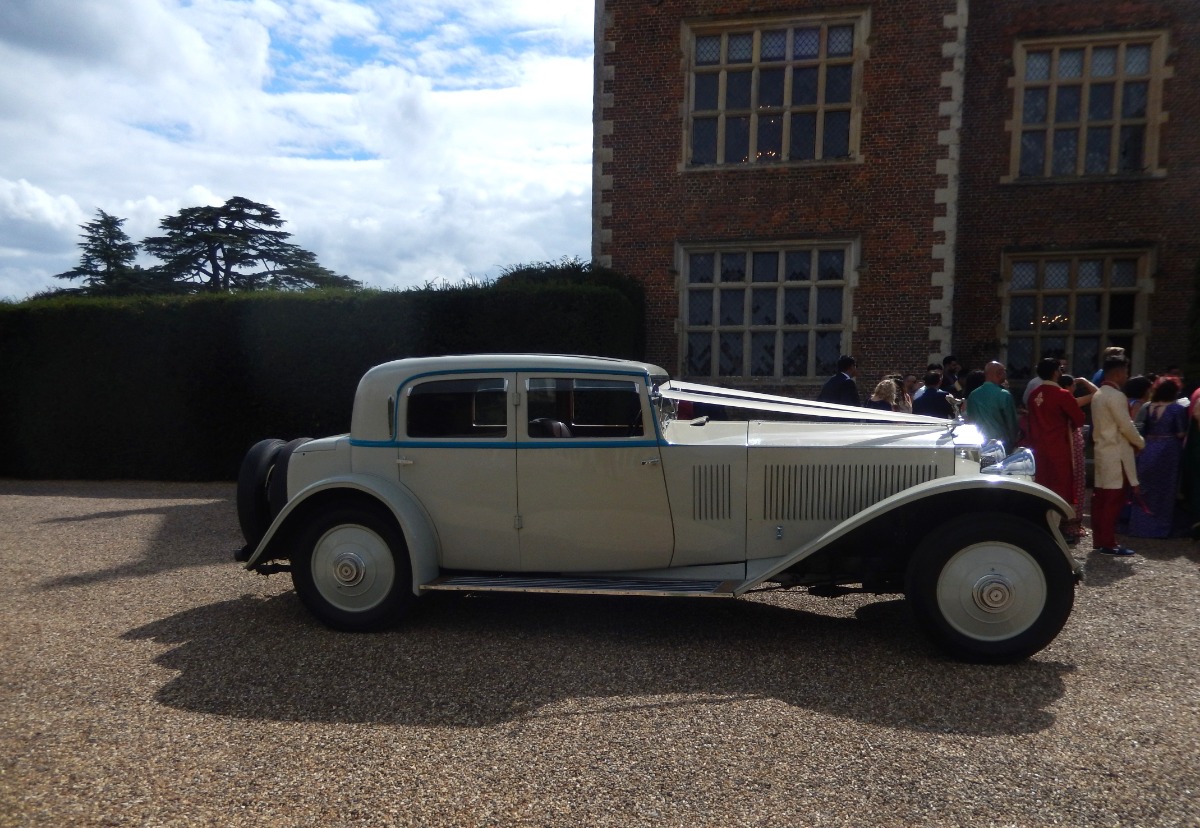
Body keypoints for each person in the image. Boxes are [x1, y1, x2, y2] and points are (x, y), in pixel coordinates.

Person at [1025, 358, 1086, 542]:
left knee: (1042, 486)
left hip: (1037, 447)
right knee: (1060, 488)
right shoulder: (1062, 394)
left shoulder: (1033, 394)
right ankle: (1054, 531)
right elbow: (1079, 419)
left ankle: (1040, 526)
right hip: (1058, 448)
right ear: (1056, 372)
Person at [1091, 355, 1146, 556]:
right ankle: (1108, 542)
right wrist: (1140, 442)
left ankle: (1100, 540)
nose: (1126, 376)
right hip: (1115, 453)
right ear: (1117, 372)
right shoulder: (1116, 396)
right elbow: (1126, 425)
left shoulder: (1098, 394)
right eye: (1125, 371)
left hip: (1102, 451)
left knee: (1101, 499)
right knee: (1113, 500)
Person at [1128, 377, 1188, 538]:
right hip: (1168, 449)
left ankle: (1140, 526)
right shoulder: (1177, 409)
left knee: (1146, 487)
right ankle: (1160, 528)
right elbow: (1181, 432)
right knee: (1165, 490)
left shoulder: (1148, 406)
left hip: (1148, 446)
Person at [965, 361, 1020, 449]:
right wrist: (1013, 443)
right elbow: (1012, 424)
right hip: (1000, 445)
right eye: (1004, 371)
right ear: (1000, 374)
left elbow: (970, 419)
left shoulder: (973, 394)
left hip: (977, 443)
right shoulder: (1004, 395)